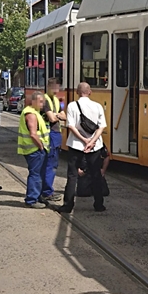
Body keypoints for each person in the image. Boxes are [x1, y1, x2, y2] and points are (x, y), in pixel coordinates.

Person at [58, 81, 106, 213]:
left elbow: (71, 126)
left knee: (72, 175)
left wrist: (83, 140)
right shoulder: (98, 106)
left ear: (77, 92)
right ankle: (98, 204)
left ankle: (68, 205)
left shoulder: (72, 106)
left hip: (76, 145)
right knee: (96, 175)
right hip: (95, 146)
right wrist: (91, 141)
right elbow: (101, 127)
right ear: (90, 92)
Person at [17, 90, 50, 207]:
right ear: (33, 101)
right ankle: (31, 200)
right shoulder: (31, 114)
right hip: (34, 150)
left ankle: (37, 196)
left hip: (35, 149)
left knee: (38, 174)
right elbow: (33, 134)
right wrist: (40, 146)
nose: (42, 105)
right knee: (35, 175)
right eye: (40, 102)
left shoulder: (34, 112)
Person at [40, 81, 66, 205]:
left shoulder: (56, 100)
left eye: (58, 87)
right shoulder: (45, 100)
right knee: (49, 164)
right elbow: (52, 118)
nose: (57, 90)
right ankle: (46, 192)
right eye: (54, 88)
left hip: (56, 134)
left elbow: (64, 116)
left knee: (52, 164)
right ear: (48, 87)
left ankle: (45, 190)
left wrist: (57, 115)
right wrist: (57, 115)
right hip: (50, 134)